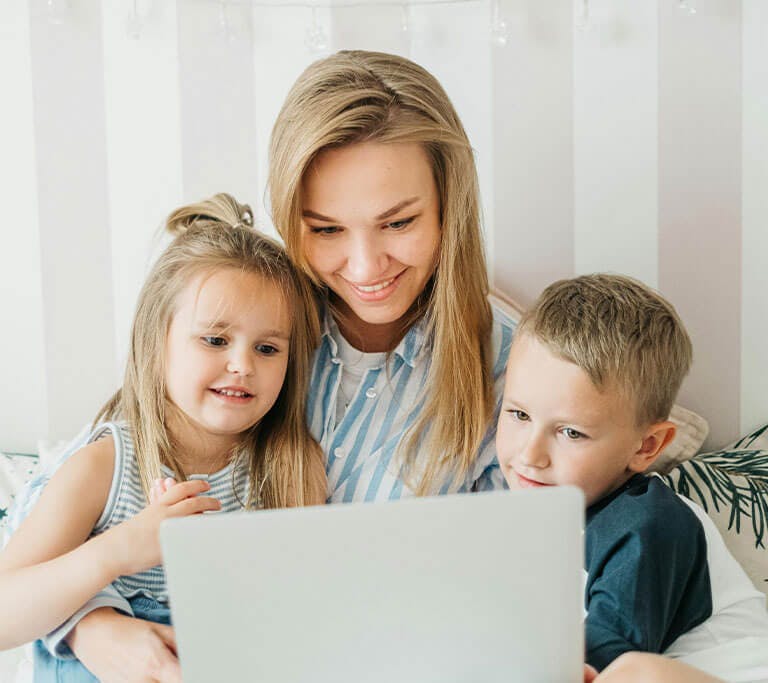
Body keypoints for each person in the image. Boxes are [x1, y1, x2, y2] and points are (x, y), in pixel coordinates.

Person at [16, 50, 516, 681]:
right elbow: (55, 511)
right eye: (326, 229)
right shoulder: (254, 311)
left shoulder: (514, 372)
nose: (365, 267)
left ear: (451, 207)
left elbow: (524, 577)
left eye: (398, 222)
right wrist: (93, 622)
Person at [0, 193, 327, 680]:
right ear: (157, 344)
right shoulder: (104, 466)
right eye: (215, 340)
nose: (242, 364)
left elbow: (301, 612)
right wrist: (117, 552)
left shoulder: (291, 470)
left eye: (267, 348)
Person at [496, 274, 768, 676]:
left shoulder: (650, 524)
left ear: (646, 447)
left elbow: (603, 654)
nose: (530, 455)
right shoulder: (541, 523)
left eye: (571, 433)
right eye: (519, 414)